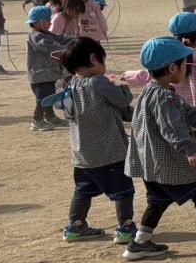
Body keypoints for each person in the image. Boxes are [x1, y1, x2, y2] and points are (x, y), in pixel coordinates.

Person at [126, 36, 196, 256]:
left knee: (157, 201)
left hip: (151, 165)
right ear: (172, 68)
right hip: (167, 164)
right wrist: (191, 150)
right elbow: (172, 128)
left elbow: (189, 113)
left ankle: (140, 243)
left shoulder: (151, 91)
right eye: (184, 64)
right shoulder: (164, 97)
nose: (186, 68)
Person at [56, 36, 138, 247]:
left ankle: (75, 226)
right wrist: (122, 86)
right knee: (122, 191)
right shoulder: (99, 82)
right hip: (109, 152)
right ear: (94, 58)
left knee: (83, 190)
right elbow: (122, 101)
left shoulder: (72, 83)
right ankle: (126, 228)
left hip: (82, 154)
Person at [120, 12, 196, 156]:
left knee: (179, 151)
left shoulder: (166, 57)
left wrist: (128, 76)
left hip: (174, 118)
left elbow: (146, 75)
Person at [25, 6, 66, 131]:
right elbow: (50, 47)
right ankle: (37, 121)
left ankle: (50, 116)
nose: (50, 23)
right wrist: (68, 49)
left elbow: (61, 39)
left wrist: (77, 40)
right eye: (47, 20)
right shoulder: (36, 36)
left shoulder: (47, 34)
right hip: (40, 75)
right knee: (42, 99)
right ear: (37, 23)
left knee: (49, 96)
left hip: (49, 74)